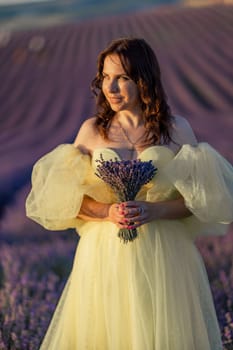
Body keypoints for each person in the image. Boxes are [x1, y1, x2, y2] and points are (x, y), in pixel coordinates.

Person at [26, 37, 233, 350]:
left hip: (166, 255)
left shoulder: (176, 130)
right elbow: (65, 201)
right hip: (105, 257)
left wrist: (157, 210)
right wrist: (106, 212)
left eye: (122, 78)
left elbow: (200, 199)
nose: (111, 88)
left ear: (143, 80)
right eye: (106, 78)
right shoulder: (92, 131)